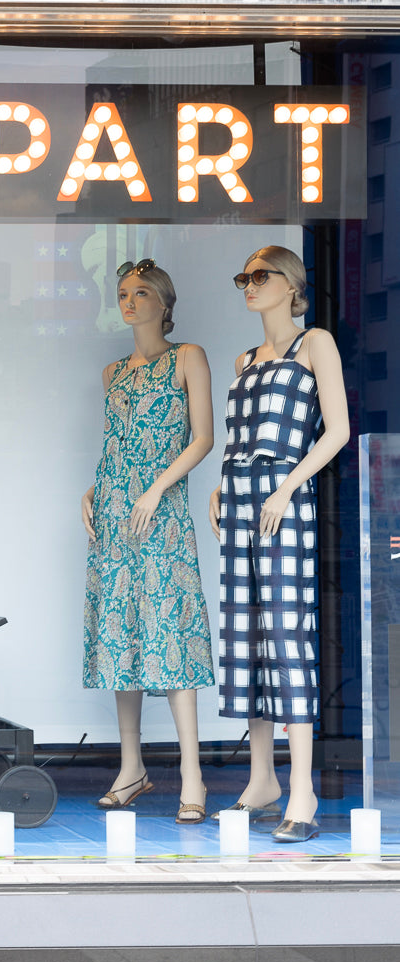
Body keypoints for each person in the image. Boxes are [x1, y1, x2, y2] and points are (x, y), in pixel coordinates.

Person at [208, 246, 349, 843]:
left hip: (282, 495)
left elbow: (337, 430)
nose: (250, 285)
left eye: (261, 276)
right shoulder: (244, 358)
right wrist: (221, 484)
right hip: (240, 494)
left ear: (292, 285)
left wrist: (289, 486)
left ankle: (302, 788)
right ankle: (261, 777)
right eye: (244, 276)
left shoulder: (313, 343)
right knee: (245, 631)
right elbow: (239, 436)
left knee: (287, 631)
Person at [81, 259, 216, 824]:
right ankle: (130, 766)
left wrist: (157, 489)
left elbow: (203, 437)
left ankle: (193, 777)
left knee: (171, 633)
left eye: (141, 293)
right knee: (121, 634)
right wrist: (91, 490)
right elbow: (115, 442)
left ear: (165, 302)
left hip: (159, 514)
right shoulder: (113, 372)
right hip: (114, 514)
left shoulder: (188, 357)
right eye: (122, 294)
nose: (130, 302)